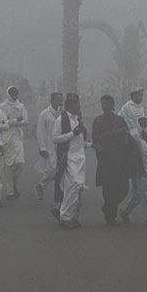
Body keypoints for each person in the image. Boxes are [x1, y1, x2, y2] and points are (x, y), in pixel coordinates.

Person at [91, 95, 142, 226]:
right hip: (105, 160)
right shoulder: (98, 121)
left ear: (112, 105)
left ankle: (108, 207)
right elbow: (96, 140)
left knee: (123, 187)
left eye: (106, 103)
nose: (104, 106)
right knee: (108, 189)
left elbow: (126, 138)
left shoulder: (119, 121)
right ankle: (110, 217)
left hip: (119, 159)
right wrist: (100, 149)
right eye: (102, 103)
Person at [51, 94, 87, 229]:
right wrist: (73, 133)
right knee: (72, 186)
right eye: (77, 103)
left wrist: (88, 144)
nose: (79, 106)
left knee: (78, 188)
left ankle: (72, 216)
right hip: (68, 158)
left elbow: (79, 140)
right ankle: (65, 217)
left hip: (80, 158)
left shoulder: (77, 120)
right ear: (71, 105)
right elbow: (55, 139)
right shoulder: (61, 119)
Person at [120, 117, 147, 227]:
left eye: (145, 121)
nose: (143, 123)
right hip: (139, 168)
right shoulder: (133, 135)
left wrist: (146, 139)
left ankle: (125, 212)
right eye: (141, 121)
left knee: (137, 196)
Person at [0, 86, 28, 200]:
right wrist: (16, 120)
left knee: (20, 163)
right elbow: (4, 123)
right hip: (6, 137)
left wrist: (11, 121)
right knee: (9, 165)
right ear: (8, 94)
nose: (15, 95)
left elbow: (25, 120)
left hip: (18, 136)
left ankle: (14, 184)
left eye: (16, 93)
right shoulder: (2, 107)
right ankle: (10, 191)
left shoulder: (21, 106)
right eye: (12, 93)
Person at [34, 92, 64, 202]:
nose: (60, 102)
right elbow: (40, 131)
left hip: (61, 146)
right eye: (58, 100)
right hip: (49, 146)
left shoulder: (63, 114)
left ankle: (62, 196)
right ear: (51, 101)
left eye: (61, 100)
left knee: (61, 171)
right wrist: (42, 147)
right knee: (51, 171)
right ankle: (41, 186)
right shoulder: (45, 114)